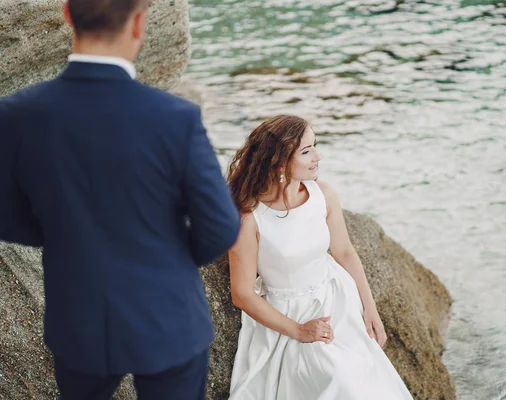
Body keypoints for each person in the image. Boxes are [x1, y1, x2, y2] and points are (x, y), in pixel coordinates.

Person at [0, 0, 240, 398]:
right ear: (140, 23)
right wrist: (171, 261)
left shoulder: (17, 114)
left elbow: (6, 215)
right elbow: (220, 225)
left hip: (78, 316)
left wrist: (67, 235)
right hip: (169, 314)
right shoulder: (175, 117)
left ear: (67, 15)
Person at [226, 115, 414, 399]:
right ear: (279, 162)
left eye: (315, 145)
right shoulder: (249, 217)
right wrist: (300, 331)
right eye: (306, 151)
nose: (318, 156)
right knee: (339, 381)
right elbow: (241, 294)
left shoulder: (323, 194)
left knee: (366, 383)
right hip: (289, 315)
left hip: (338, 300)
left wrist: (370, 309)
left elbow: (345, 252)